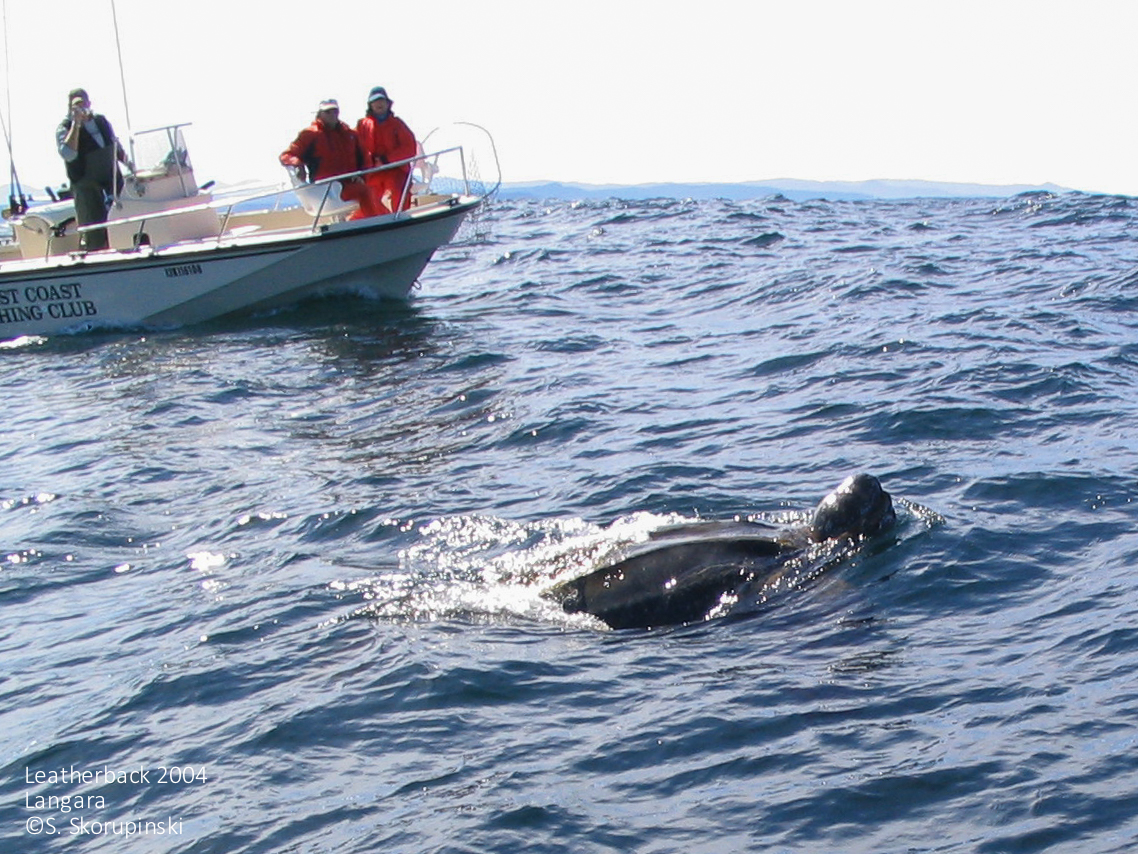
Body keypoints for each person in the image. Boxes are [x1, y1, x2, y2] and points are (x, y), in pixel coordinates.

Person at [55, 88, 129, 250]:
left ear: (89, 103)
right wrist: (76, 124)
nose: (81, 108)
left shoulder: (101, 121)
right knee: (94, 232)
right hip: (86, 187)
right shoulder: (64, 128)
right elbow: (68, 154)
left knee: (123, 223)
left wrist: (130, 166)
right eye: (76, 105)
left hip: (112, 181)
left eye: (83, 103)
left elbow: (115, 146)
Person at [280, 99, 375, 219]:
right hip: (326, 190)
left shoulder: (350, 134)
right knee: (364, 191)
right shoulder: (310, 134)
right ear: (320, 114)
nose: (332, 115)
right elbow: (286, 156)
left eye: (335, 111)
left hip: (347, 184)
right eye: (327, 112)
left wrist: (362, 177)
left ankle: (374, 221)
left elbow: (365, 158)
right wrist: (298, 164)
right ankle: (375, 221)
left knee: (370, 189)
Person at [355, 86, 418, 214]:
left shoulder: (397, 124)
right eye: (375, 101)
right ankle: (382, 219)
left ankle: (401, 218)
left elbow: (409, 148)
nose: (379, 104)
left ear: (388, 103)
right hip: (372, 172)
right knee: (368, 197)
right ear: (370, 105)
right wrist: (371, 162)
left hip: (396, 170)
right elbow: (355, 149)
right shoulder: (362, 125)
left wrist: (385, 160)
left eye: (381, 100)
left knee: (399, 189)